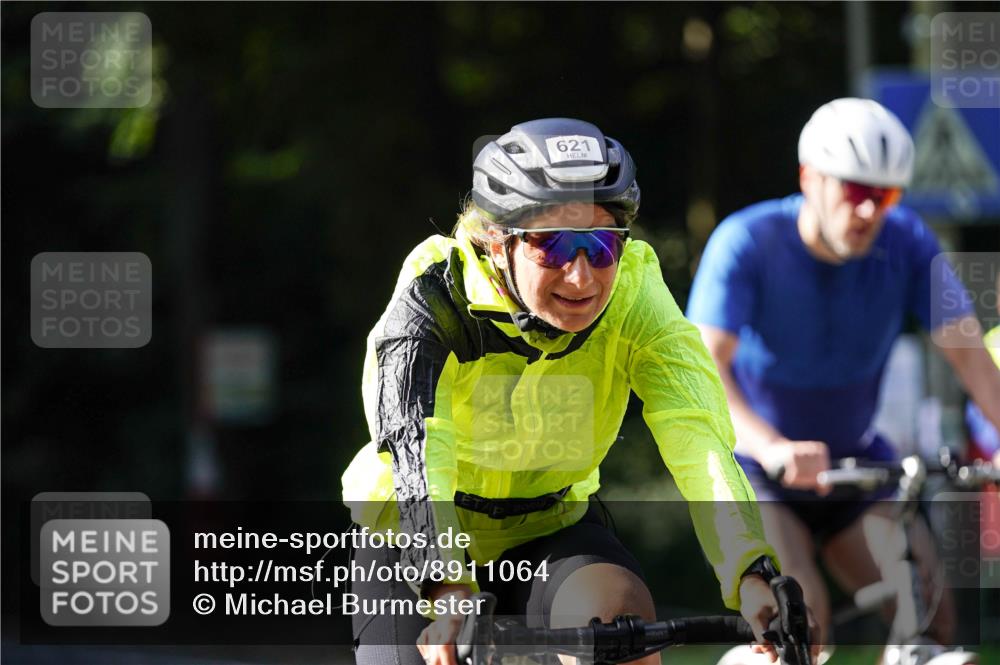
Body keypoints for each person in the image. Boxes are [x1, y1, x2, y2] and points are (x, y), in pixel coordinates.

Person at [341, 118, 793, 665]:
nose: (581, 278)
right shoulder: (434, 293)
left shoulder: (633, 291)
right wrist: (443, 585)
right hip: (414, 539)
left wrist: (749, 568)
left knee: (619, 618)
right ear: (496, 240)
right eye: (552, 247)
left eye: (601, 245)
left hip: (551, 529)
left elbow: (694, 430)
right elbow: (415, 446)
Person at [686, 98, 1000, 654]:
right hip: (758, 471)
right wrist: (775, 446)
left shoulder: (907, 242)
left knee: (928, 618)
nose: (868, 212)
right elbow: (701, 371)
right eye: (854, 191)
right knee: (801, 627)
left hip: (855, 464)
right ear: (810, 178)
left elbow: (970, 355)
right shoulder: (746, 241)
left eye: (886, 196)